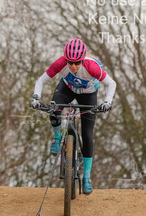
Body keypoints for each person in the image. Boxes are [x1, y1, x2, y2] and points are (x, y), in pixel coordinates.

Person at [30, 38, 116, 195]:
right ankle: (57, 138)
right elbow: (40, 80)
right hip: (67, 89)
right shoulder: (60, 63)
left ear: (82, 60)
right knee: (54, 110)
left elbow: (111, 83)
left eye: (77, 63)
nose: (73, 66)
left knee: (87, 134)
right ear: (66, 59)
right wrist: (36, 98)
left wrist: (107, 102)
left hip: (88, 95)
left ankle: (87, 177)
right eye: (70, 62)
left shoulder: (91, 67)